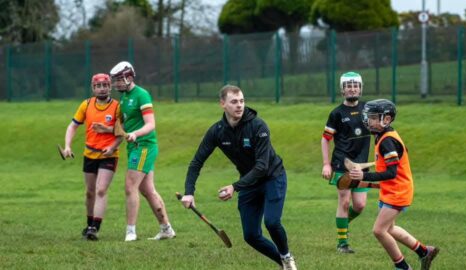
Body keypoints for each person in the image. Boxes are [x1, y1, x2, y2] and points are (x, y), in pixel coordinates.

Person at [181, 85, 297, 270]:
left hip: (272, 177)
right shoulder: (217, 131)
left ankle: (286, 256)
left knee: (272, 222)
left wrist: (235, 187)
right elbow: (196, 162)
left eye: (242, 101)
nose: (239, 105)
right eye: (234, 102)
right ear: (222, 104)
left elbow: (262, 166)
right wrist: (189, 192)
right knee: (251, 235)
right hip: (248, 183)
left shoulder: (258, 126)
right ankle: (284, 264)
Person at [349, 99, 439, 270]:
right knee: (389, 228)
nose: (369, 120)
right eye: (369, 117)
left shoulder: (387, 141)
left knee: (379, 230)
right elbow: (386, 172)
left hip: (398, 192)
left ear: (387, 119)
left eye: (374, 117)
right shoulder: (381, 136)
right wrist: (365, 182)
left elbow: (392, 173)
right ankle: (424, 252)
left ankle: (403, 267)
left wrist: (364, 175)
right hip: (391, 190)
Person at [109, 61, 175, 242]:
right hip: (135, 147)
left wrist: (135, 134)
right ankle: (166, 229)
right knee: (147, 190)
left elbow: (150, 125)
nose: (116, 84)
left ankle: (131, 231)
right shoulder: (124, 98)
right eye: (115, 81)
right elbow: (124, 127)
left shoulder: (142, 95)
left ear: (129, 77)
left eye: (119, 80)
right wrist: (113, 146)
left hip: (144, 146)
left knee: (130, 187)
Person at [63, 73, 123, 241]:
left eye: (105, 85)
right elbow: (72, 126)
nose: (102, 88)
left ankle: (95, 228)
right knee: (90, 192)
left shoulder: (118, 107)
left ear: (110, 86)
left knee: (101, 190)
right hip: (89, 154)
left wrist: (112, 148)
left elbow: (121, 133)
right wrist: (67, 146)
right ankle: (89, 224)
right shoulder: (86, 105)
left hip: (109, 155)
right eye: (98, 86)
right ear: (93, 88)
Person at [321, 71, 371, 253]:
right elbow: (325, 139)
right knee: (344, 202)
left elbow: (380, 131)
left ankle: (342, 224)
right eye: (348, 86)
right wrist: (327, 164)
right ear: (342, 90)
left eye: (355, 86)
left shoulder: (368, 110)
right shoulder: (336, 114)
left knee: (360, 205)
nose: (352, 89)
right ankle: (342, 243)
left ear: (360, 88)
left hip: (362, 165)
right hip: (342, 164)